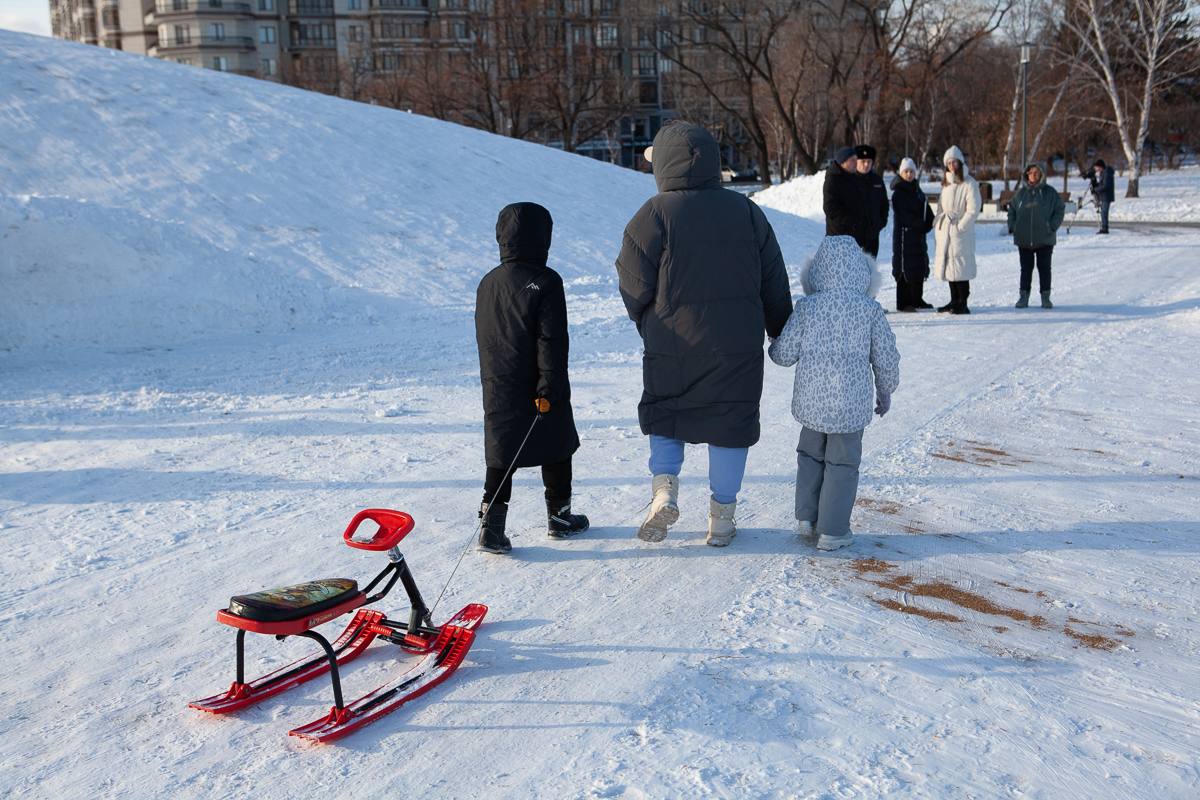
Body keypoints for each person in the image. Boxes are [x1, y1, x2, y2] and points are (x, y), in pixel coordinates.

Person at [616, 121, 793, 547]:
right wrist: (780, 330)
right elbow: (774, 279)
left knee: (667, 412)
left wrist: (649, 323)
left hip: (672, 342)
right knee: (730, 423)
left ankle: (664, 493)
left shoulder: (654, 213)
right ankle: (722, 518)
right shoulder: (747, 211)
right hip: (737, 345)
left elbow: (632, 280)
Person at [768, 236, 900, 552]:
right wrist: (885, 389)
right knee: (842, 464)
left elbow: (783, 355)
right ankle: (833, 531)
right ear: (862, 274)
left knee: (810, 456)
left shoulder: (807, 308)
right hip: (850, 406)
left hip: (811, 405)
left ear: (816, 274)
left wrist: (774, 343)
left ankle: (807, 518)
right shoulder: (870, 310)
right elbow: (886, 357)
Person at [474, 202, 589, 555]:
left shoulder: (488, 282)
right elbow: (551, 339)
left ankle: (491, 530)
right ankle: (561, 517)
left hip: (498, 383)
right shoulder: (547, 281)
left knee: (502, 450)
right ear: (543, 237)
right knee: (557, 444)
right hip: (540, 383)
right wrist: (550, 385)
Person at [1007, 163, 1065, 309]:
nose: (1033, 175)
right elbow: (1012, 211)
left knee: (1044, 268)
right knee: (1025, 269)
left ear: (1041, 174)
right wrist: (1013, 227)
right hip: (1024, 239)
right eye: (1030, 173)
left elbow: (1060, 209)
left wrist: (1051, 226)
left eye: (1036, 172)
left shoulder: (1050, 193)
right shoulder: (1020, 194)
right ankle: (1023, 297)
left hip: (1044, 239)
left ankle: (1046, 298)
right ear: (1026, 175)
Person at [932, 146, 982, 315]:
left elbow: (974, 209)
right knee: (949, 267)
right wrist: (938, 222)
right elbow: (940, 206)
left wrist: (961, 226)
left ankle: (962, 301)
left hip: (960, 232)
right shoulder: (945, 184)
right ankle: (954, 300)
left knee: (961, 266)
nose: (952, 165)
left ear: (960, 163)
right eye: (949, 162)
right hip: (945, 230)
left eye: (955, 162)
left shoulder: (969, 183)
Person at [890, 157, 935, 311]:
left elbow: (926, 210)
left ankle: (917, 299)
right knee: (904, 267)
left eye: (912, 172)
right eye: (906, 172)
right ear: (901, 173)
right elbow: (904, 215)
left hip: (918, 237)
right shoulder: (898, 193)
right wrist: (919, 225)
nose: (909, 174)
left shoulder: (918, 191)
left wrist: (930, 222)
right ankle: (903, 302)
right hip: (904, 237)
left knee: (919, 266)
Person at [823, 145, 870, 251]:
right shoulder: (832, 180)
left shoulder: (854, 177)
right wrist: (851, 221)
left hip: (854, 236)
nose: (856, 163)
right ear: (843, 162)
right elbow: (830, 208)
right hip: (838, 237)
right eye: (852, 160)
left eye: (856, 159)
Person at [855, 144, 889, 258]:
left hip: (873, 235)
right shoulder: (849, 180)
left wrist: (881, 222)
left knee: (870, 269)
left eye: (869, 161)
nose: (866, 165)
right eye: (863, 161)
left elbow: (884, 204)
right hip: (853, 236)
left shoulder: (877, 181)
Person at [1088, 158, 1115, 234]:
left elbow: (1106, 186)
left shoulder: (1107, 173)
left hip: (1106, 196)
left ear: (1100, 166)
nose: (1095, 169)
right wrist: (1095, 184)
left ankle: (1105, 228)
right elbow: (1102, 184)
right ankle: (1104, 227)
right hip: (1104, 196)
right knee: (1103, 212)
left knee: (1104, 212)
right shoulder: (1104, 173)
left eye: (1096, 167)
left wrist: (1095, 189)